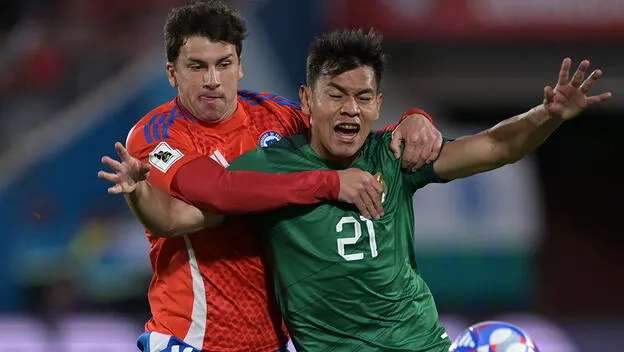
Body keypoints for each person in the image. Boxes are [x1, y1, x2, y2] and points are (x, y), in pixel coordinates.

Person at [103, 28, 611, 351]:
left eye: (363, 98)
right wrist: (137, 192)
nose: (350, 109)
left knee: (513, 344)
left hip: (420, 345)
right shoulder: (265, 170)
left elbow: (495, 147)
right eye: (337, 95)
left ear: (377, 104)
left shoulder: (393, 155)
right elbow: (182, 218)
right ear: (307, 100)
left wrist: (547, 116)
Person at [98, 1, 444, 351]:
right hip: (191, 338)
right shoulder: (156, 135)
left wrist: (414, 119)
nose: (213, 80)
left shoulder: (276, 116)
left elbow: (349, 129)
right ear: (172, 73)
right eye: (197, 67)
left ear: (240, 67)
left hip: (274, 341)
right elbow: (217, 191)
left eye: (224, 64)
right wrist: (329, 183)